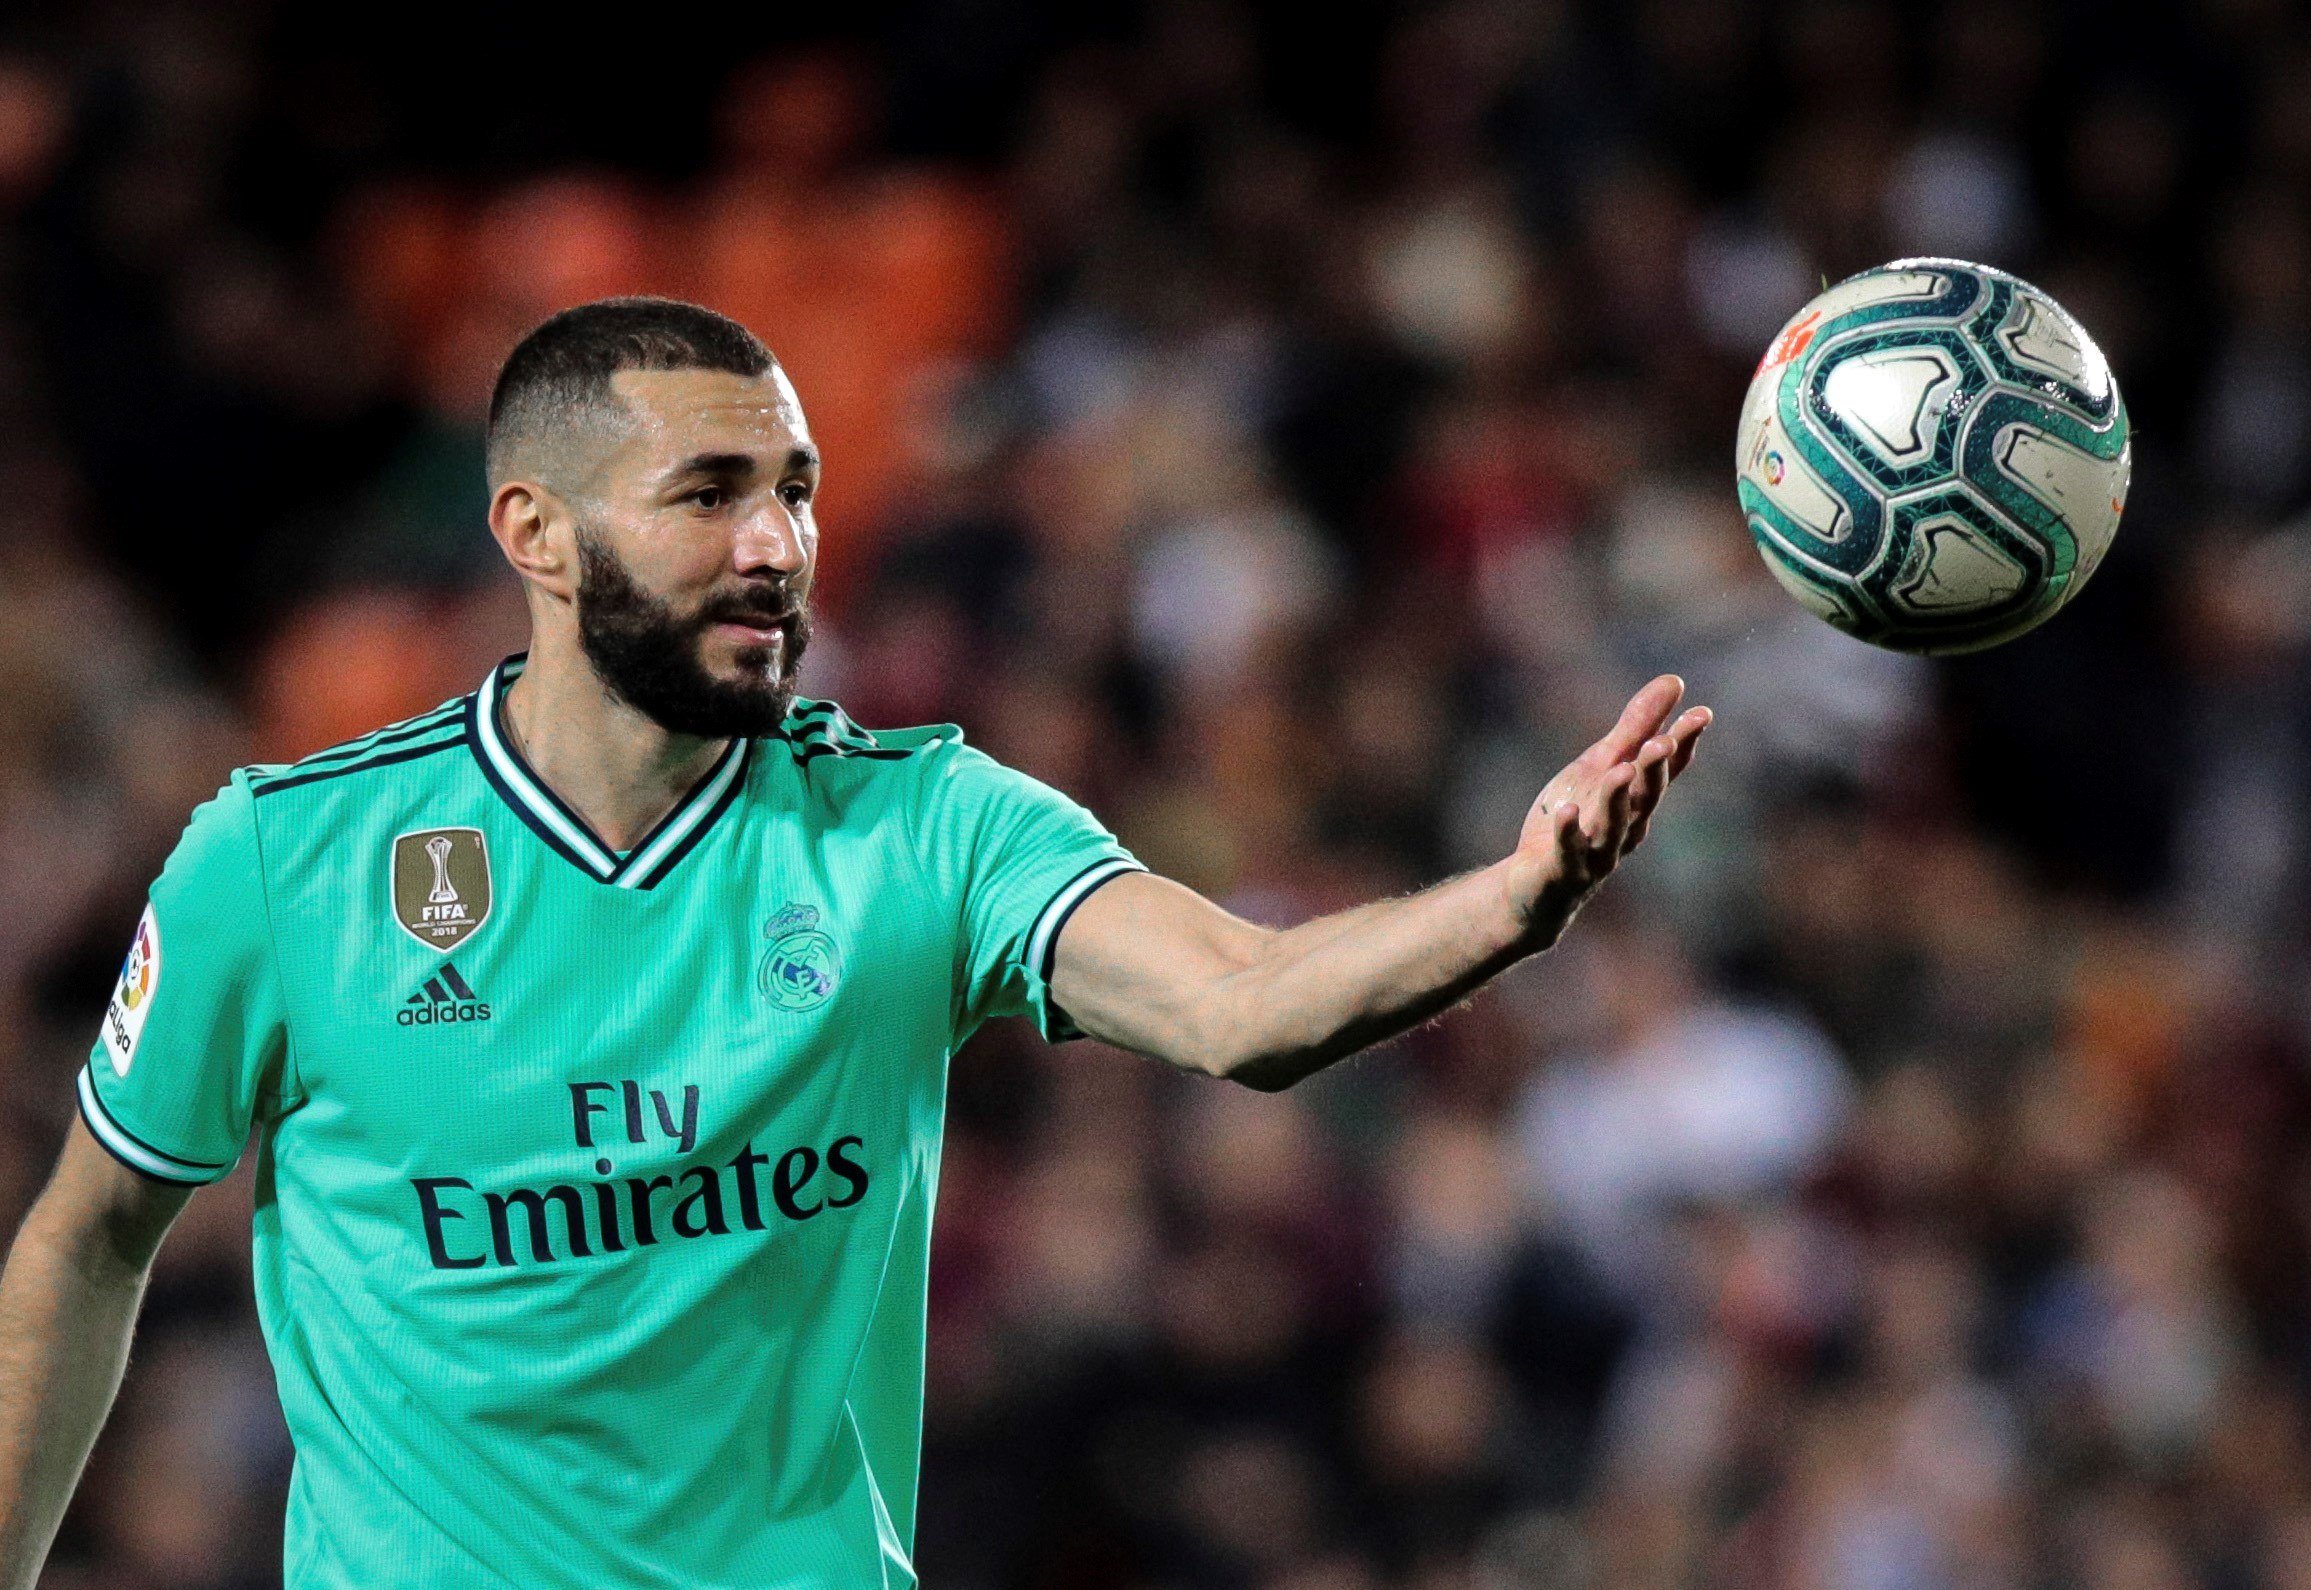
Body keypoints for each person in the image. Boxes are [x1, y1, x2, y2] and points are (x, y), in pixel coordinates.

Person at [0, 298, 1707, 1588]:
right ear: (534, 530)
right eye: (710, 491)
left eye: (798, 492)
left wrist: (1510, 898)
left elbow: (1242, 1004)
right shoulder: (290, 862)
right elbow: (87, 1237)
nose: (777, 544)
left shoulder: (926, 825)